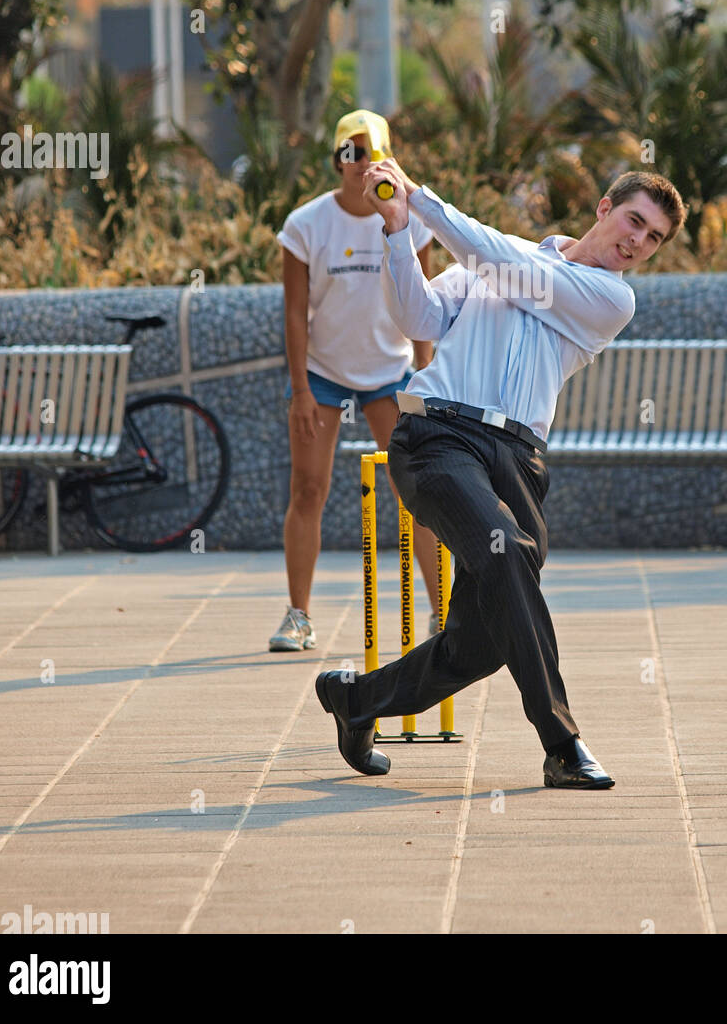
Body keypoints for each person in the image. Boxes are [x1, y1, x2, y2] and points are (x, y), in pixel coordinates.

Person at [315, 160, 686, 788]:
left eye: (653, 238)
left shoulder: (611, 299)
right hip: (438, 439)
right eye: (635, 221)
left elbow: (513, 273)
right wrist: (400, 230)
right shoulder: (495, 255)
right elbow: (420, 320)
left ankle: (358, 700)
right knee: (508, 552)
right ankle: (561, 743)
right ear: (604, 207)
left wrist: (423, 199)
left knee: (482, 642)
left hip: (518, 461)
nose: (637, 242)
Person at [270, 110, 443, 653]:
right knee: (308, 489)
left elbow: (425, 303)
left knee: (418, 493)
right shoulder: (307, 224)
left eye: (370, 153)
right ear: (336, 158)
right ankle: (298, 616)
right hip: (322, 374)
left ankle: (446, 613)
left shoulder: (408, 217)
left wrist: (426, 378)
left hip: (390, 374)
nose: (360, 164)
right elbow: (295, 313)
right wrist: (300, 390)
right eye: (350, 152)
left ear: (388, 160)